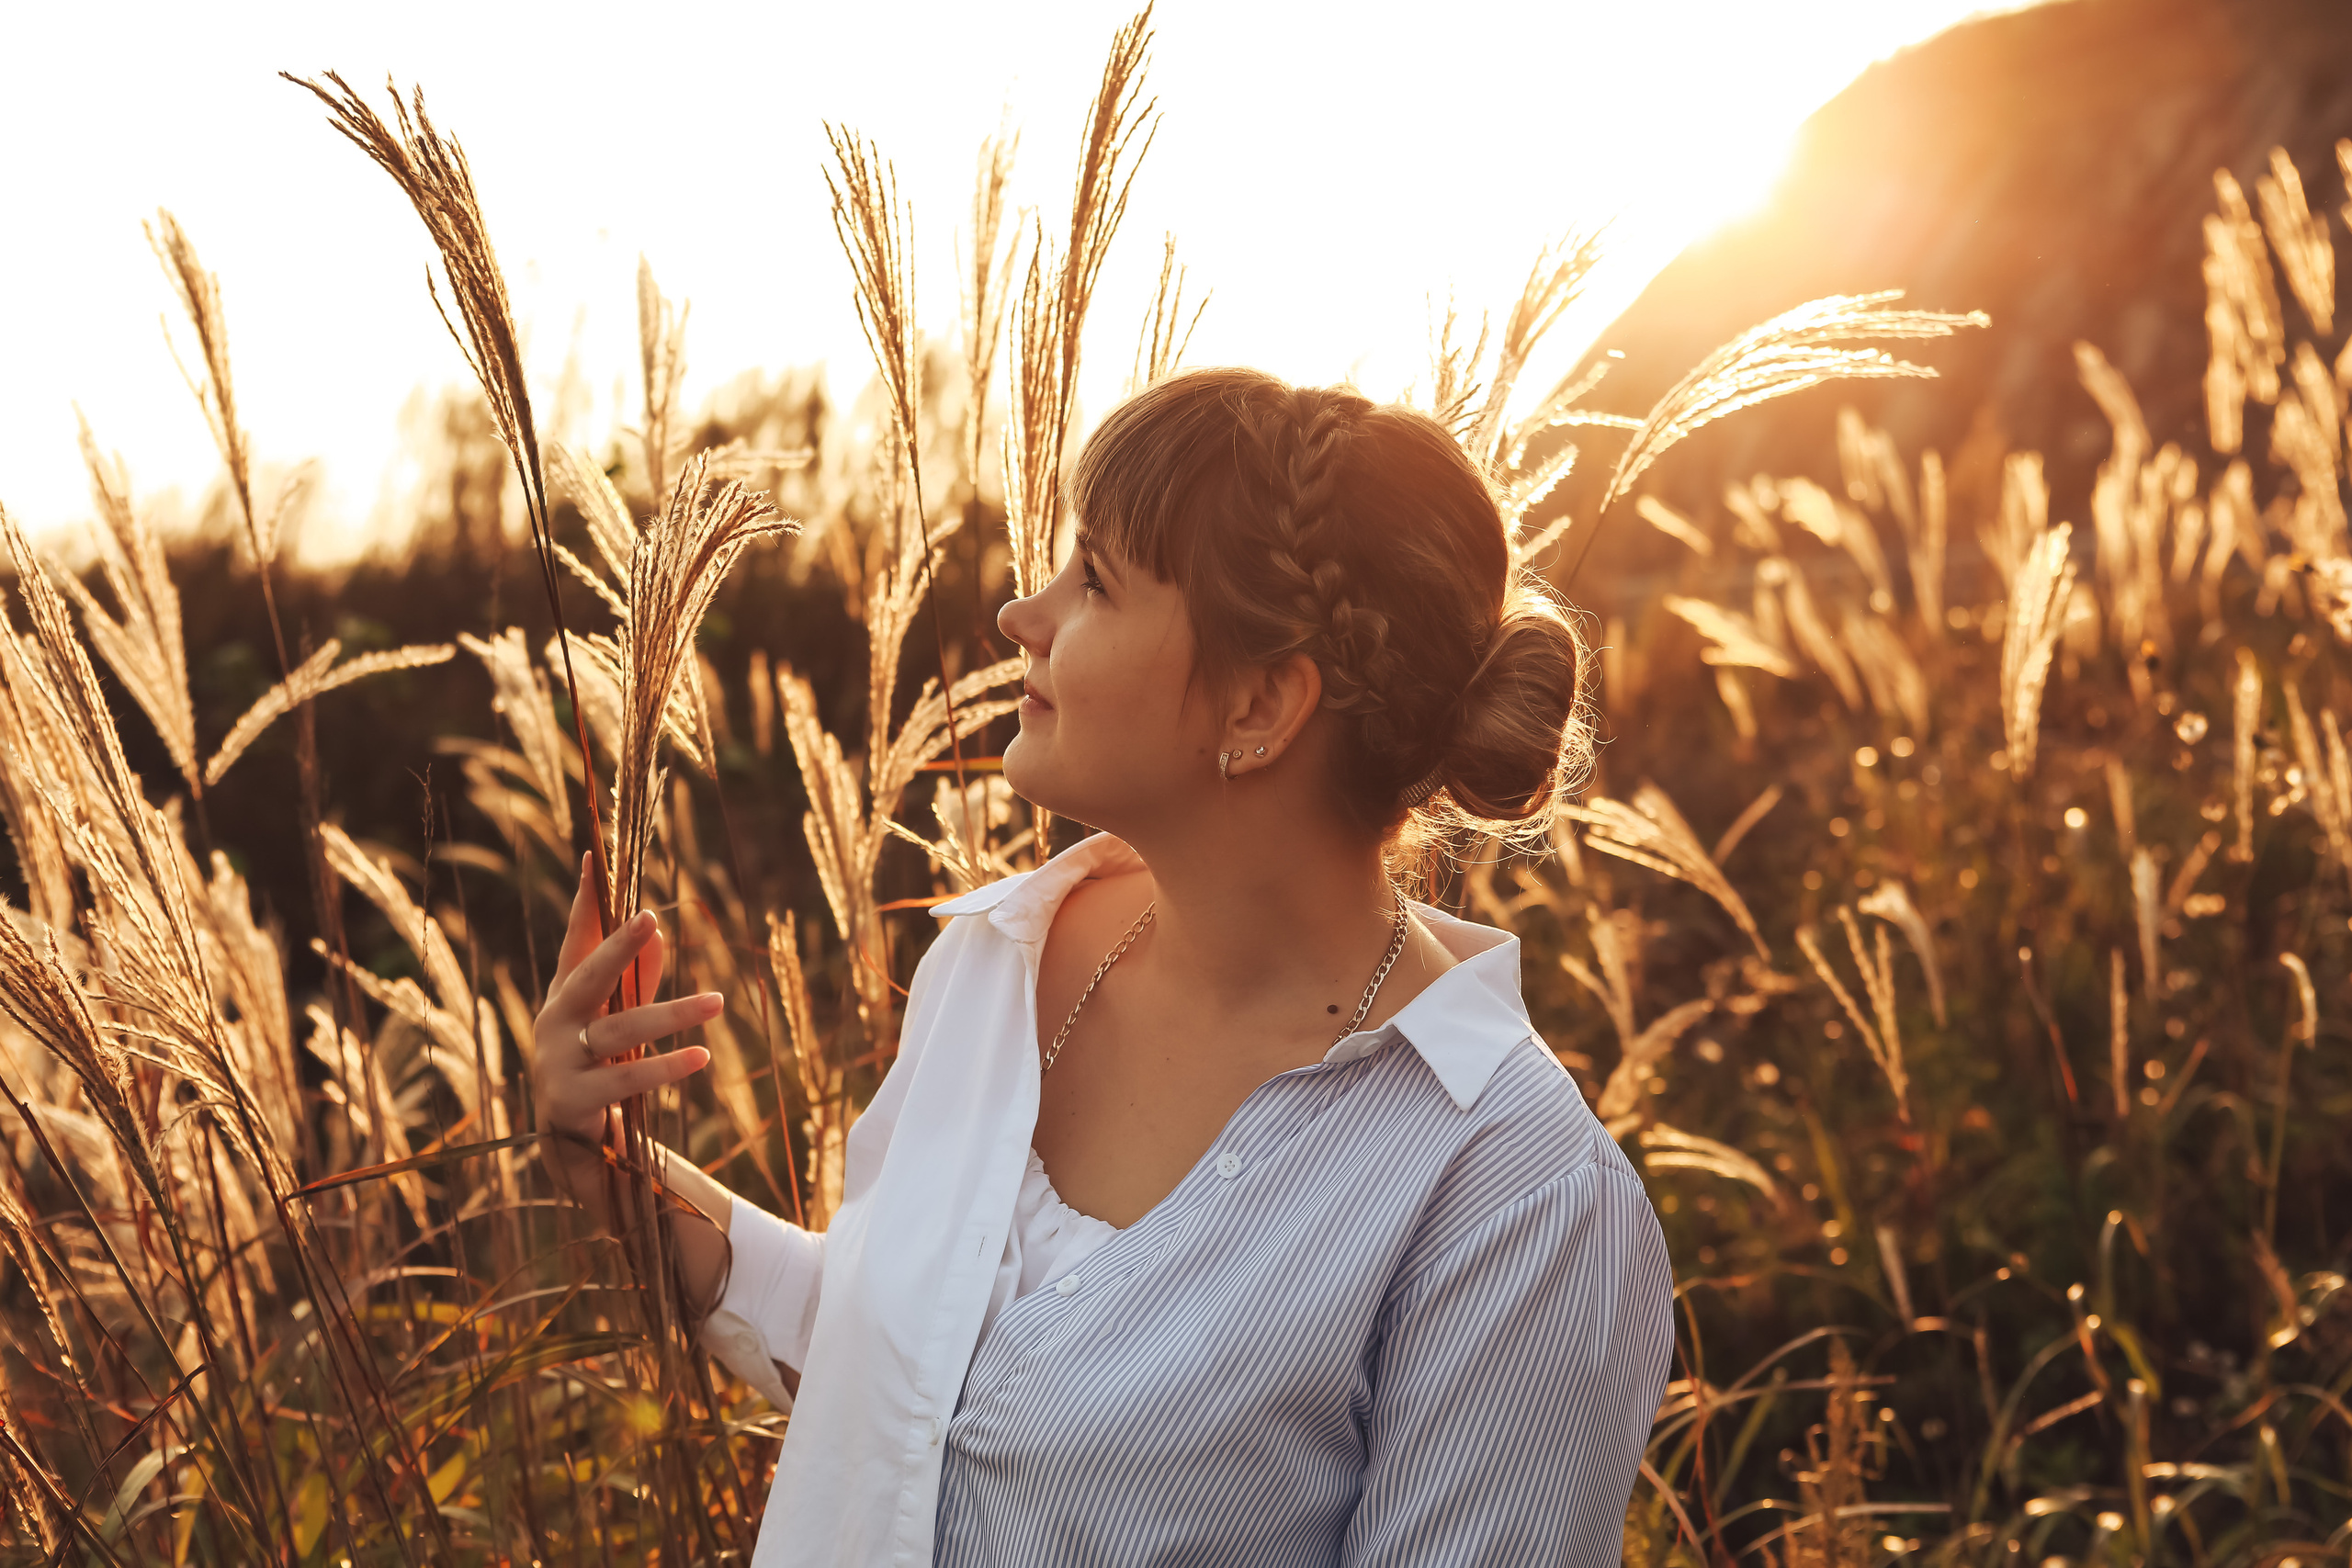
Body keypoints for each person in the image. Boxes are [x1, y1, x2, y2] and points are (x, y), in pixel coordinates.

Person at [533, 367, 1675, 1566]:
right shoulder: (995, 960)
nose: (1019, 616)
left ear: (1259, 706)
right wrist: (613, 1160)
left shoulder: (1522, 1199)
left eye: (1096, 583)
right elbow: (904, 1386)